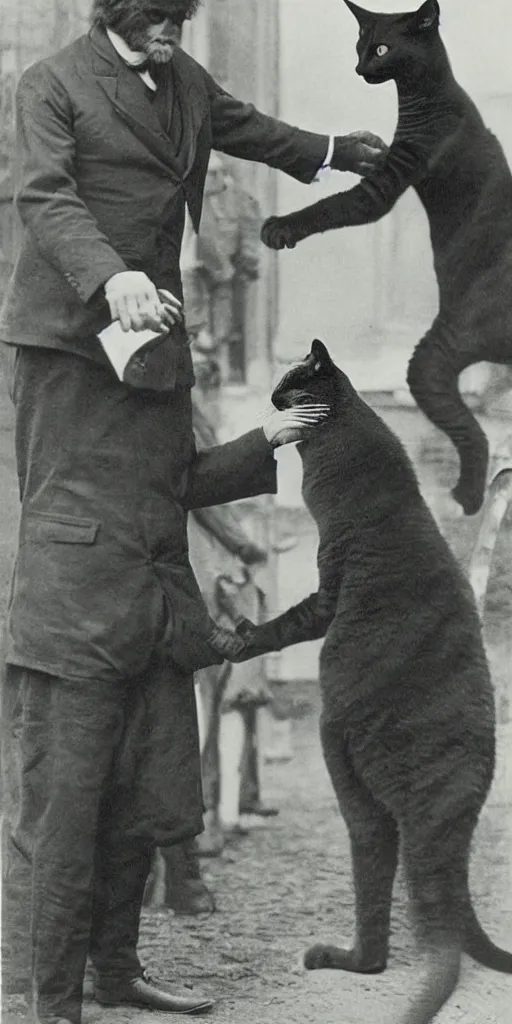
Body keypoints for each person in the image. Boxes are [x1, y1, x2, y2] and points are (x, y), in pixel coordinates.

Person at [0, 2, 386, 1022]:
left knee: (143, 803)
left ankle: (117, 968)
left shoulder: (160, 371)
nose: (170, 34)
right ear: (111, 10)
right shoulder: (49, 89)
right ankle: (50, 998)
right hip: (78, 614)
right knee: (66, 812)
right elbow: (43, 193)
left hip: (143, 600)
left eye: (179, 18)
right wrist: (111, 278)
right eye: (155, 18)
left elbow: (248, 126)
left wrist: (335, 150)